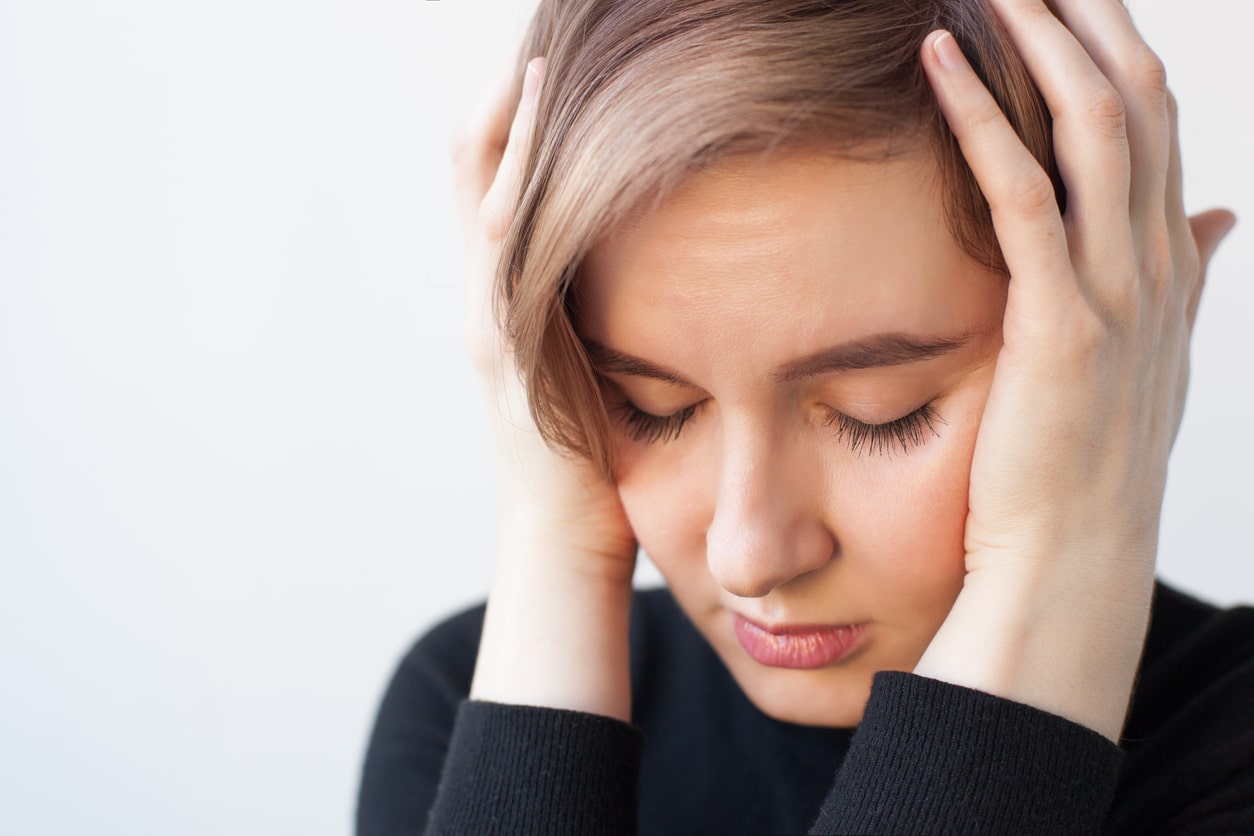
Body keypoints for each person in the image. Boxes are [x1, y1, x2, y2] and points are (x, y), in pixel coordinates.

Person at [358, 0, 1254, 832]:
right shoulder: (475, 698)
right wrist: (557, 540)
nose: (748, 556)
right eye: (651, 408)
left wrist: (1062, 558)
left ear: (1127, 335)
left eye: (880, 415)